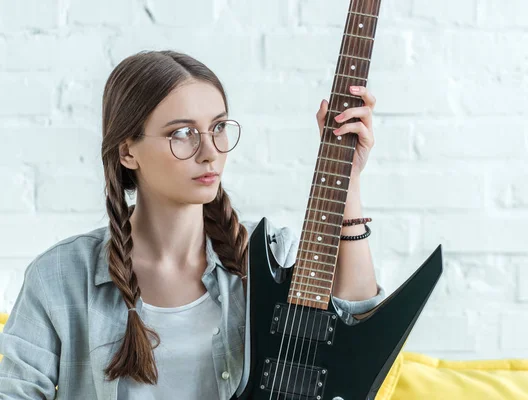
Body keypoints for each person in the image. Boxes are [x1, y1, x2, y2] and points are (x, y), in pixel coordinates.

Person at [0, 50, 385, 399]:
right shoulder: (60, 276)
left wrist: (347, 182)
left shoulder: (266, 257)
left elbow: (356, 324)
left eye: (218, 127)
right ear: (127, 151)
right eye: (182, 134)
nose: (209, 152)